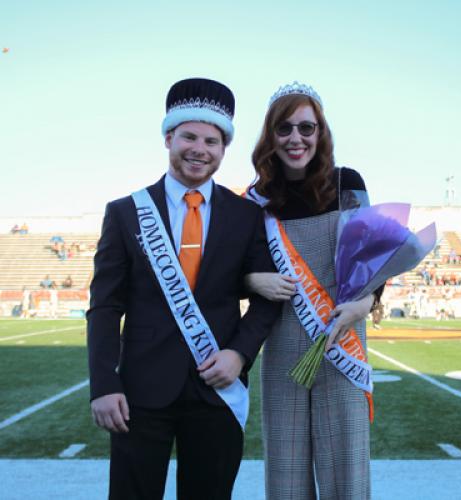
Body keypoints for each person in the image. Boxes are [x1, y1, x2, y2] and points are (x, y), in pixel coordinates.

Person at [87, 78, 279, 500]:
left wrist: (240, 354)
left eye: (212, 141)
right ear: (169, 137)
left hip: (218, 385)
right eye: (189, 136)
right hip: (139, 391)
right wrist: (104, 384)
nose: (200, 149)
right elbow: (104, 306)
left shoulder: (247, 216)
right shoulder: (125, 212)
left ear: (223, 149)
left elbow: (270, 298)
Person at [245, 82, 380, 499]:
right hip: (282, 337)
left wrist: (364, 304)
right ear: (271, 135)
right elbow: (237, 267)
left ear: (321, 132)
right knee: (285, 475)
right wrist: (250, 280)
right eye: (284, 128)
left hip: (342, 337)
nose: (296, 138)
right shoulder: (256, 200)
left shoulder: (347, 184)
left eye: (307, 127)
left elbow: (375, 258)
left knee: (347, 472)